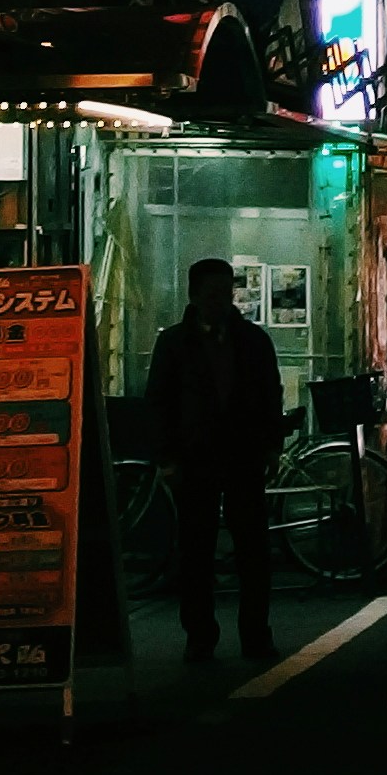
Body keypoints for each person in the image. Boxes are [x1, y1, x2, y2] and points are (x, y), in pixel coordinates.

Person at [145, 259, 286, 668]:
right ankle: (201, 636)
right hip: (195, 459)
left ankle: (255, 634)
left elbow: (270, 394)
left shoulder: (252, 340)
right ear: (194, 295)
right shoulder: (174, 343)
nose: (221, 302)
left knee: (253, 552)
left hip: (242, 456)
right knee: (196, 553)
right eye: (212, 294)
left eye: (226, 294)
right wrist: (167, 457)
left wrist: (272, 445)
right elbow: (159, 402)